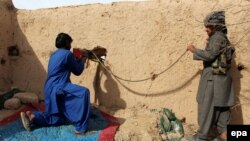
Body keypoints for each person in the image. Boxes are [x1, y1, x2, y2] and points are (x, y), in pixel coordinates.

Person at [20, 33, 91, 135]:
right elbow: (77, 71)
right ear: (66, 42)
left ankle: (32, 117)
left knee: (57, 119)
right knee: (84, 92)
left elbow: (65, 64)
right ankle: (81, 128)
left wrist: (77, 58)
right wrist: (83, 60)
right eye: (70, 43)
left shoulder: (54, 54)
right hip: (59, 87)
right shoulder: (68, 54)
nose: (71, 46)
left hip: (49, 88)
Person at [186, 11, 235, 141]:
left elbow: (210, 55)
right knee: (222, 118)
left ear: (216, 26)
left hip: (213, 80)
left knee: (206, 108)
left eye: (209, 26)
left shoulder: (217, 37)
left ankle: (201, 137)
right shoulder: (223, 37)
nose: (206, 29)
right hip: (222, 81)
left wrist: (194, 50)